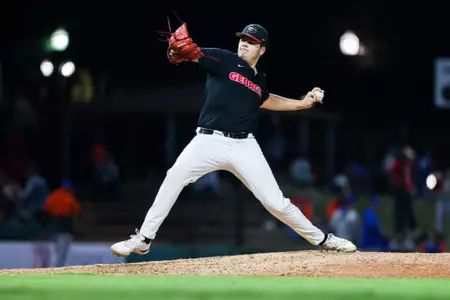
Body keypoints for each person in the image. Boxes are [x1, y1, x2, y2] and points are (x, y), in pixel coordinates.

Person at [111, 24, 357, 256]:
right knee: (174, 176)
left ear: (262, 50)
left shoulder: (259, 80)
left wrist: (304, 103)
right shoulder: (223, 59)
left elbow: (268, 99)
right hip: (207, 141)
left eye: (252, 42)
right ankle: (143, 240)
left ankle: (323, 240)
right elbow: (194, 53)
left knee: (275, 203)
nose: (244, 45)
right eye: (243, 40)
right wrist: (187, 52)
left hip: (243, 145)